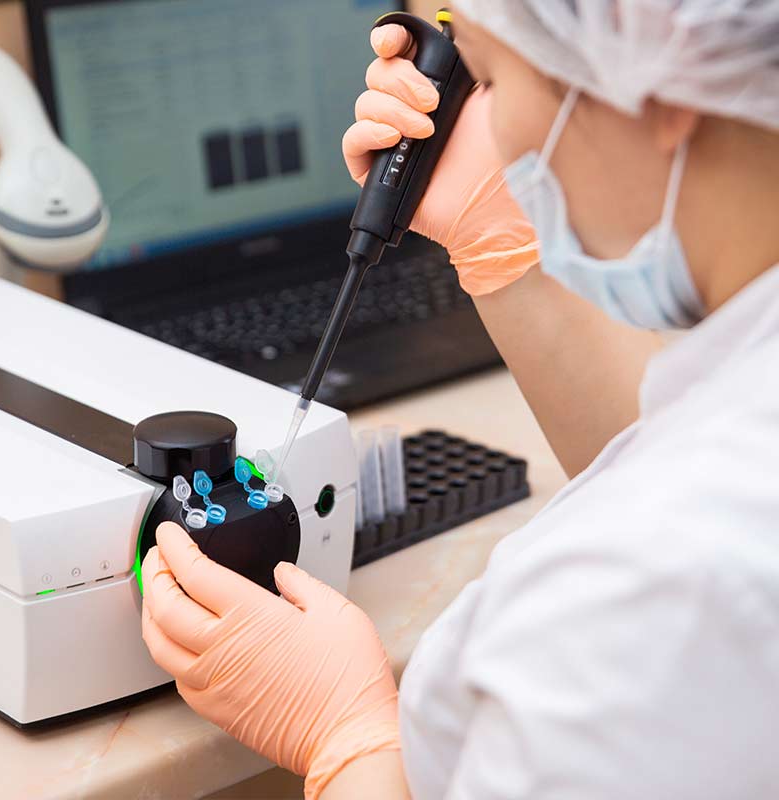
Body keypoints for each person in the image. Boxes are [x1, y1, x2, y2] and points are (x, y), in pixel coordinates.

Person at [140, 2, 779, 798]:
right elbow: (662, 468)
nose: (500, 132)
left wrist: (350, 742)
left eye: (497, 77)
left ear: (661, 89)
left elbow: (672, 541)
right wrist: (498, 245)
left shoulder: (652, 590)